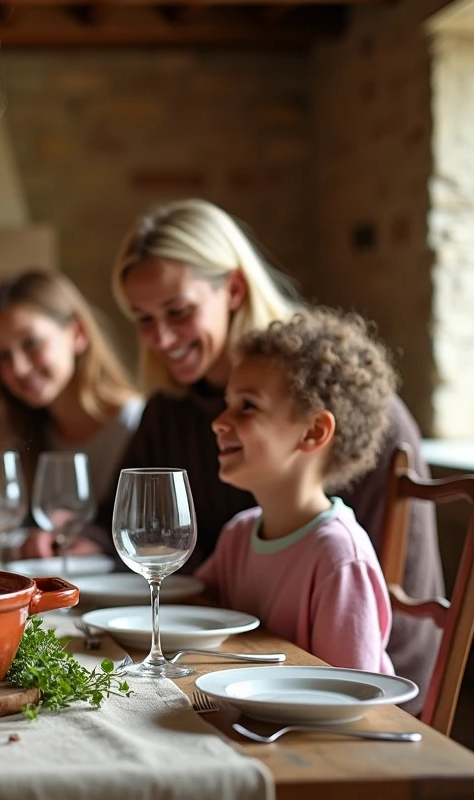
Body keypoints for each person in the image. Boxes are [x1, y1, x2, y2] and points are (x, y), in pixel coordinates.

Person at [92, 198, 442, 707]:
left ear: (233, 289)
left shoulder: (345, 414)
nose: (161, 337)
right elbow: (129, 536)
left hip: (347, 691)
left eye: (179, 311)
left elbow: (369, 651)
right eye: (143, 319)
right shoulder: (171, 415)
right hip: (245, 672)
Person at [195, 309, 395, 672]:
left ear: (313, 432)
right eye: (227, 405)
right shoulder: (238, 535)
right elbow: (193, 614)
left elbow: (351, 692)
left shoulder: (339, 557)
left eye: (247, 406)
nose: (219, 422)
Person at [0, 268, 144, 508]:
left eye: (31, 343)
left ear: (78, 334)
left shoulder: (136, 424)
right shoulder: (25, 433)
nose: (19, 368)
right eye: (3, 355)